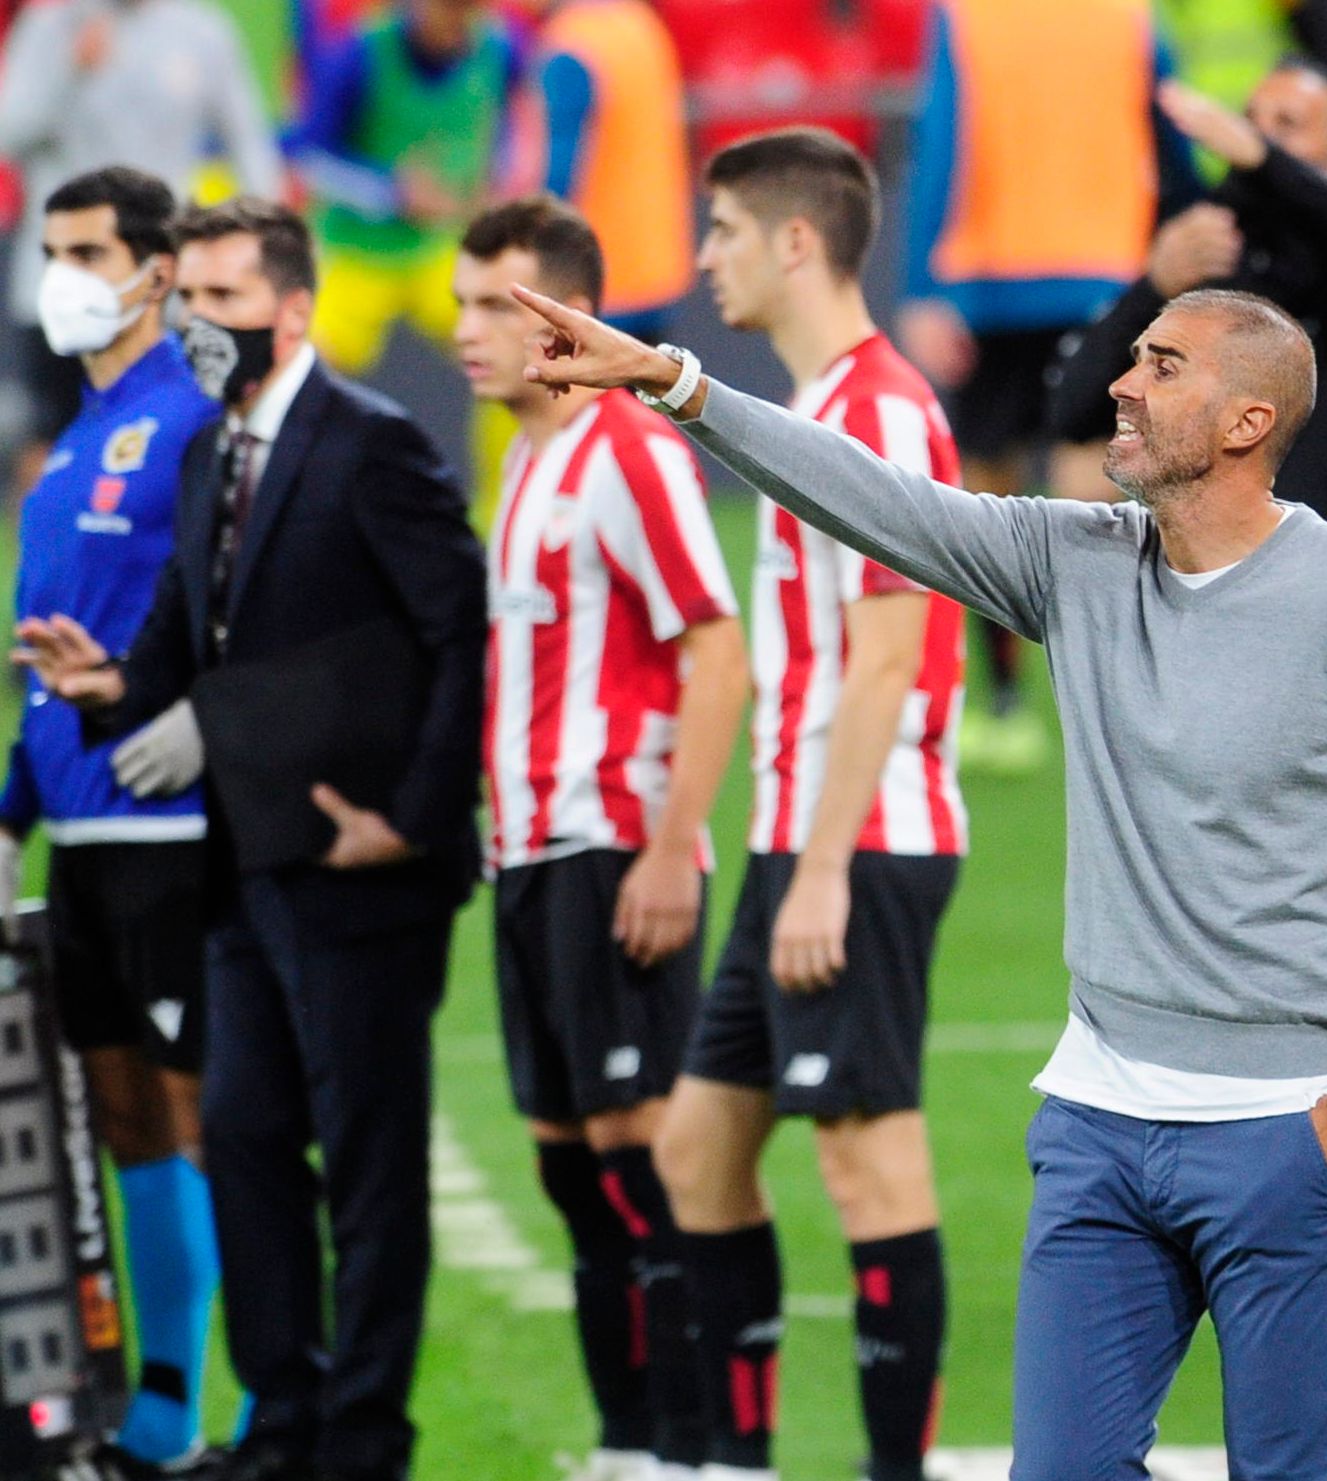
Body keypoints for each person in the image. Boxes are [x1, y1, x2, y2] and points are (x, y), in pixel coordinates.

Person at [508, 283, 1327, 1481]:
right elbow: (874, 499)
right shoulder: (1074, 559)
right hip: (1098, 1122)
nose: (1122, 386)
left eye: (1162, 365)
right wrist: (677, 383)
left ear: (1246, 422)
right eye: (1131, 357)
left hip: (1283, 1134)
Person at [13, 197, 487, 1481]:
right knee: (251, 1139)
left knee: (372, 1170)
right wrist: (110, 685)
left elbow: (455, 635)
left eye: (226, 302)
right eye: (192, 303)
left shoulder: (372, 445)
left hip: (359, 868)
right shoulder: (211, 455)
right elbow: (186, 625)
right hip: (241, 862)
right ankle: (282, 1420)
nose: (203, 328)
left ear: (292, 310)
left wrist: (416, 819)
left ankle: (363, 1438)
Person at [1048, 59, 1327, 1299]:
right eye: (1252, 126)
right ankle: (1187, 1147)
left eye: (1291, 131)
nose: (1257, 145)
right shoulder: (1218, 308)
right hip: (1224, 639)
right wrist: (1154, 284)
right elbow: (1074, 406)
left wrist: (1258, 156)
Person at [640, 128, 967, 1481]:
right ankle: (738, 1456)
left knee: (864, 1165)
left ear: (791, 241)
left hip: (862, 840)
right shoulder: (820, 406)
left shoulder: (880, 410)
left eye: (718, 229)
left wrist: (823, 867)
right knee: (695, 1150)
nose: (702, 255)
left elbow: (890, 652)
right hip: (795, 837)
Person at [452, 195, 748, 1481]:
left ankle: (699, 1446)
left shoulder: (627, 447)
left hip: (611, 845)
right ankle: (628, 1437)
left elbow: (713, 642)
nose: (466, 332)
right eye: (458, 303)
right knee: (573, 1163)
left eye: (490, 305)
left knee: (642, 1161)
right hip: (527, 856)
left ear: (559, 312)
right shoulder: (522, 459)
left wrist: (672, 846)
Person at [0, 166, 222, 1480]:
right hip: (78, 836)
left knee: (188, 1114)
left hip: (170, 823)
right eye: (52, 248)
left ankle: (193, 1412)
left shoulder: (192, 422)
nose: (63, 274)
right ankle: (157, 1407)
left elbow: (221, 606)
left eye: (89, 249)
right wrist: (13, 807)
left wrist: (190, 716)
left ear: (153, 267)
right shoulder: (69, 442)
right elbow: (38, 658)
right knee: (123, 1115)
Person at [898, 0, 1197, 772]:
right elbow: (1173, 145)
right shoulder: (1130, 15)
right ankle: (1102, 690)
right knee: (1091, 477)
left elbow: (940, 146)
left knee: (990, 493)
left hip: (991, 278)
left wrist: (923, 285)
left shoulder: (965, 16)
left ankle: (1001, 699)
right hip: (1103, 277)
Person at [0, 0, 282, 492]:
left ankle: (151, 567)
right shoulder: (52, 25)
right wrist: (68, 69)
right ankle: (46, 566)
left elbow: (250, 143)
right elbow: (8, 132)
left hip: (157, 286)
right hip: (59, 281)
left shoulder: (202, 30)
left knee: (164, 441)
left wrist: (269, 246)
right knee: (50, 442)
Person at [288, 0, 523, 381]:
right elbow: (310, 159)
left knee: (514, 356)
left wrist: (498, 181)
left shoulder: (500, 48)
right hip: (356, 253)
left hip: (442, 248)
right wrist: (392, 194)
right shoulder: (361, 52)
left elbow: (508, 122)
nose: (456, 21)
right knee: (307, 375)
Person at [534, 0, 695, 341]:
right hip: (656, 266)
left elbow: (556, 173)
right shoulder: (640, 22)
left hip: (595, 279)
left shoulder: (573, 42)